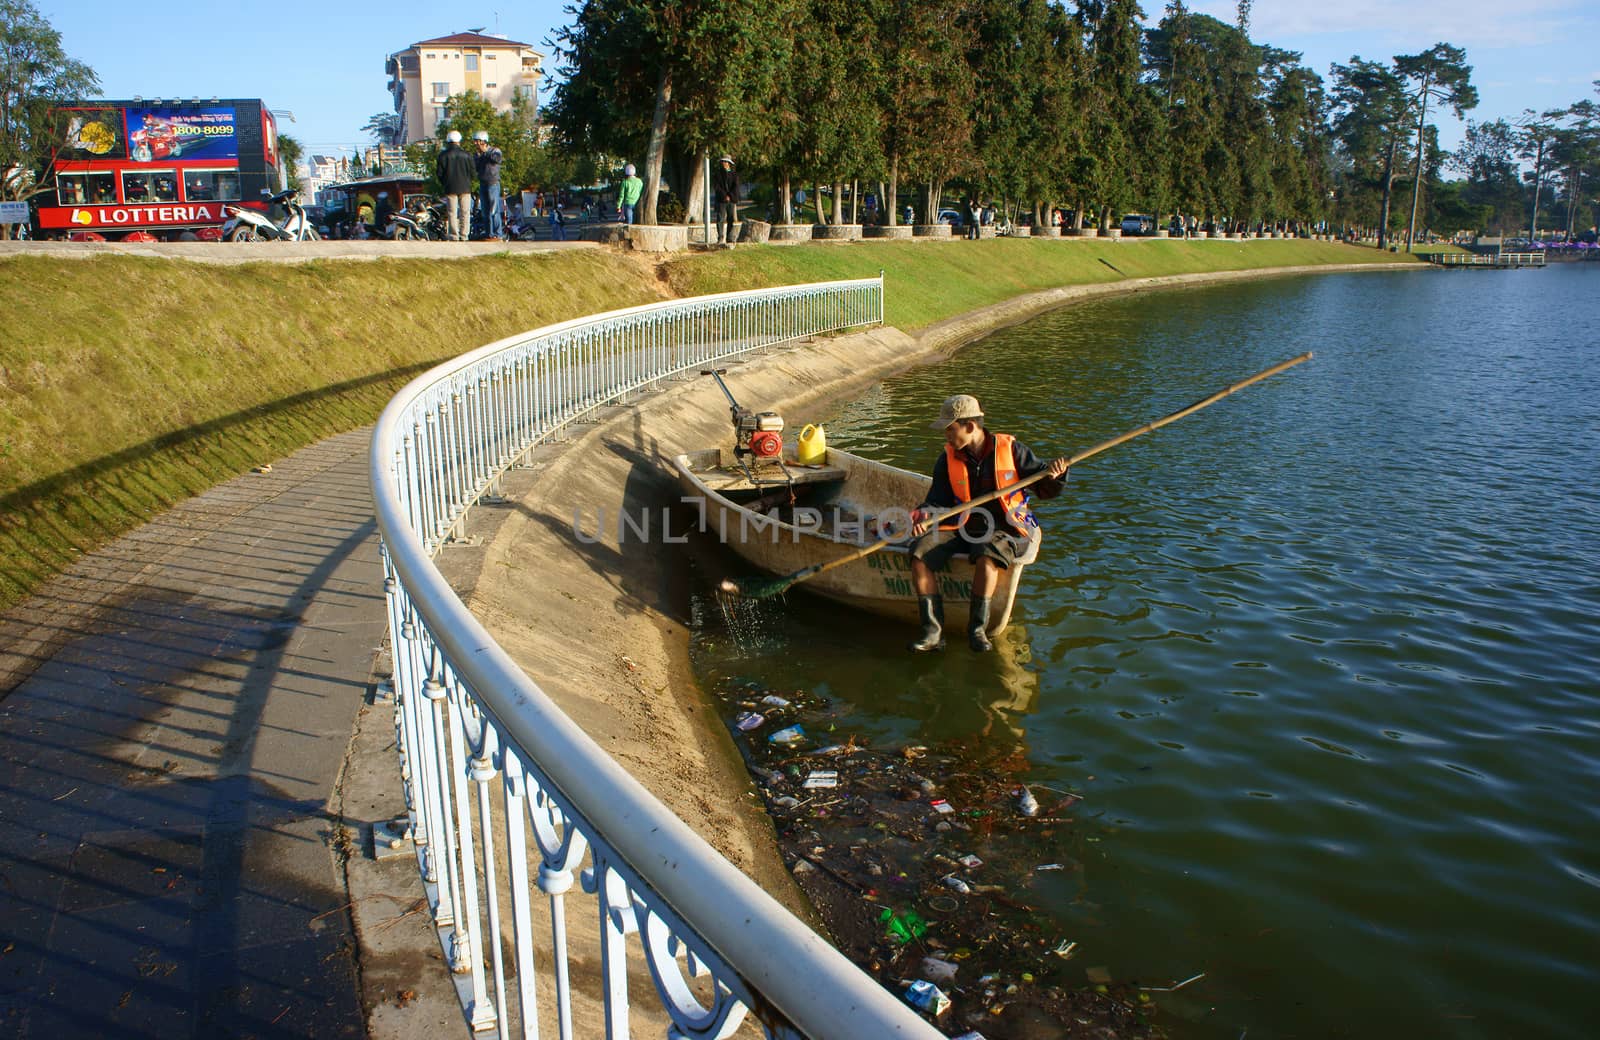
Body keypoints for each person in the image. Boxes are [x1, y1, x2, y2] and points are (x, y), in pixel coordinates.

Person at [905, 395, 1069, 652]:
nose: (946, 436)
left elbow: (1044, 488)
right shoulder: (947, 458)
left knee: (986, 554)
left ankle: (977, 630)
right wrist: (925, 516)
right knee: (919, 554)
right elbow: (937, 500)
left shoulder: (1013, 451)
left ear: (970, 427)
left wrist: (1055, 475)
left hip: (1005, 528)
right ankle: (932, 632)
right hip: (962, 526)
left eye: (950, 429)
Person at [436, 130, 475, 242]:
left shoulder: (443, 155)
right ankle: (464, 235)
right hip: (465, 188)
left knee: (452, 212)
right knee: (465, 212)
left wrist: (445, 183)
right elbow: (472, 172)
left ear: (448, 141)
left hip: (450, 187)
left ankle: (454, 235)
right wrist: (468, 181)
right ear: (459, 141)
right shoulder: (467, 155)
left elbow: (439, 173)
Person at [472, 131, 503, 239]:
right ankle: (489, 234)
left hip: (493, 183)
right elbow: (475, 168)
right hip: (483, 183)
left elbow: (497, 159)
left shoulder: (494, 151)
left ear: (483, 141)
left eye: (477, 141)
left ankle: (497, 234)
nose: (475, 144)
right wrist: (478, 157)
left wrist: (486, 153)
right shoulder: (477, 154)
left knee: (494, 210)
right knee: (485, 211)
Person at [712, 154, 739, 247]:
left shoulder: (734, 174)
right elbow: (717, 187)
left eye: (726, 162)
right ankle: (720, 237)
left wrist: (730, 196)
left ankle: (729, 237)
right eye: (723, 161)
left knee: (731, 218)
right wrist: (724, 195)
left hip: (731, 200)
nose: (724, 163)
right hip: (721, 200)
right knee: (720, 218)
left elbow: (735, 187)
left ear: (729, 163)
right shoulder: (717, 174)